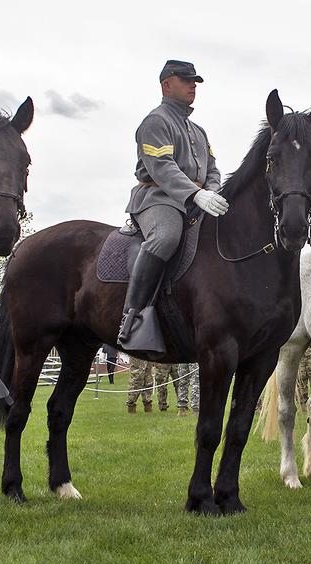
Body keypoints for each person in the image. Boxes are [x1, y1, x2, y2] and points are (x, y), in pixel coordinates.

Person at [117, 60, 226, 353]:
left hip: (197, 201)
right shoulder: (156, 121)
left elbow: (213, 169)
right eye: (187, 80)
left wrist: (211, 191)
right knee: (166, 237)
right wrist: (195, 194)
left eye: (196, 82)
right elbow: (161, 167)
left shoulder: (199, 131)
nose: (193, 86)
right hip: (159, 199)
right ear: (167, 84)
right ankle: (133, 318)